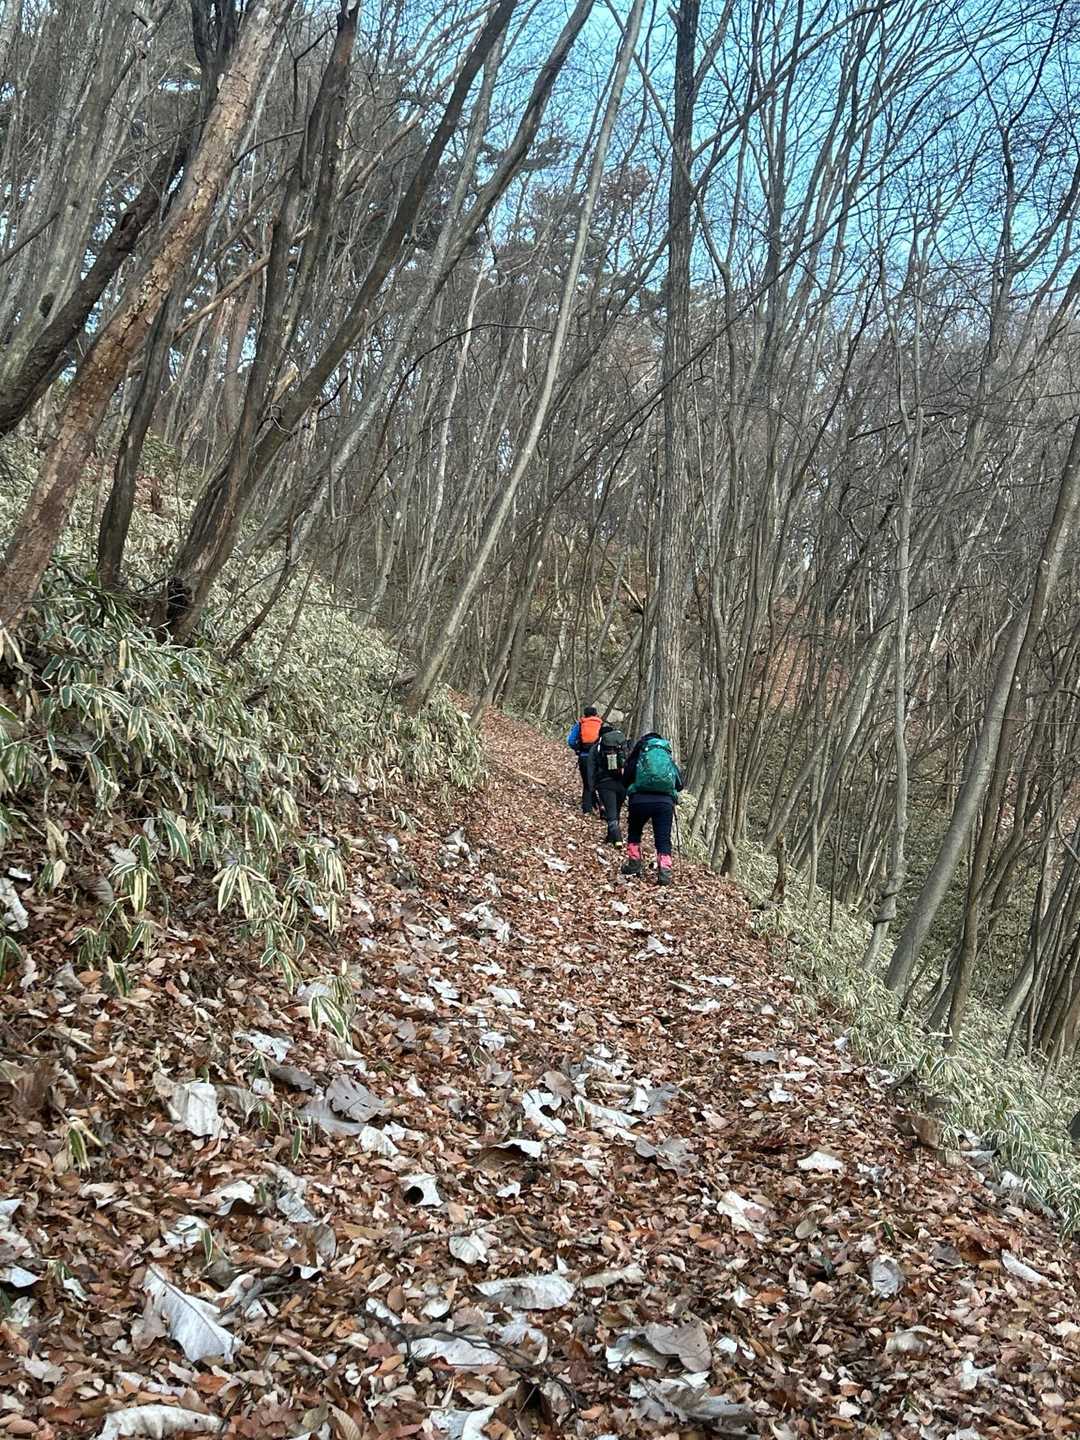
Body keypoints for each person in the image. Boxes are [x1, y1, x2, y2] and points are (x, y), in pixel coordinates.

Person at [621, 731, 684, 885]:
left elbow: (625, 779)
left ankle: (634, 864)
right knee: (663, 838)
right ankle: (664, 873)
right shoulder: (666, 758)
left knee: (635, 832)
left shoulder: (639, 756)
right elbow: (680, 784)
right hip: (664, 803)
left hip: (639, 801)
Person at [587, 718, 628, 844]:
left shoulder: (596, 748)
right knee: (616, 810)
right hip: (622, 783)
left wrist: (591, 789)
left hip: (605, 784)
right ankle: (610, 837)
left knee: (611, 813)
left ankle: (618, 840)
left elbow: (591, 769)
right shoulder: (622, 746)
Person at [566, 706, 603, 813]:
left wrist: (578, 749)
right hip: (598, 758)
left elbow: (571, 741)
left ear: (585, 714)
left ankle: (587, 809)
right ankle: (602, 808)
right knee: (598, 783)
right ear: (596, 715)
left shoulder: (580, 724)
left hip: (584, 757)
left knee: (587, 784)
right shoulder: (600, 725)